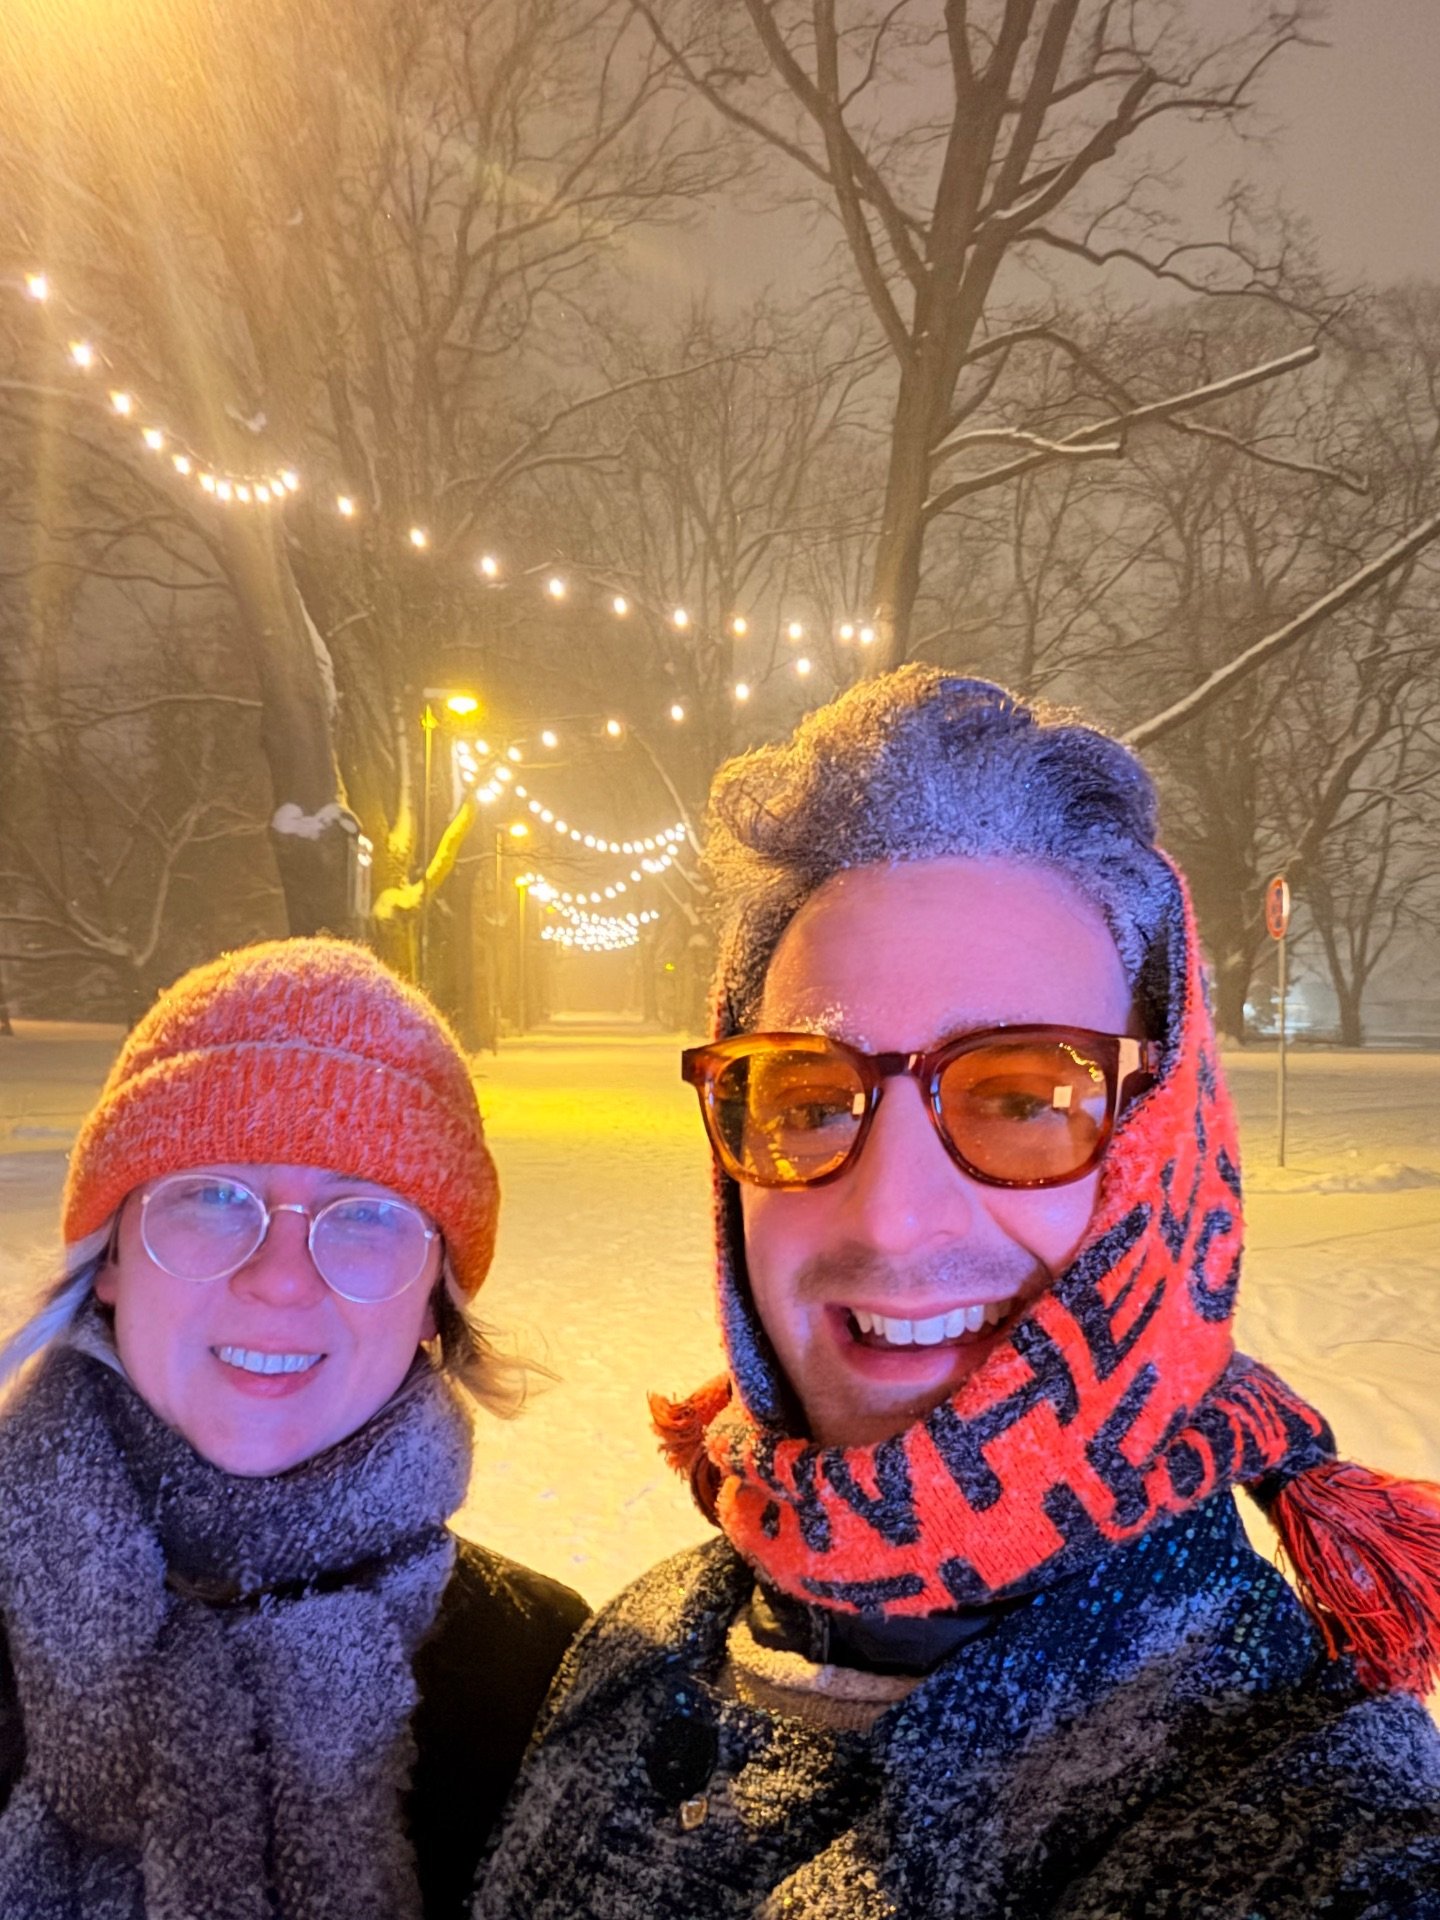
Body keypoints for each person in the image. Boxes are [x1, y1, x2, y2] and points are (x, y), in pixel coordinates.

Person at [476, 668, 1440, 1919]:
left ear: (1167, 1161)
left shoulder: (1319, 1828)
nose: (890, 1215)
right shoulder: (635, 1644)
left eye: (1024, 1096)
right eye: (809, 1100)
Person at [0, 937, 589, 1920]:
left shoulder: (546, 1676)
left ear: (434, 1302)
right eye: (210, 1196)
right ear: (109, 1261)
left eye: (365, 1216)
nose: (278, 1277)